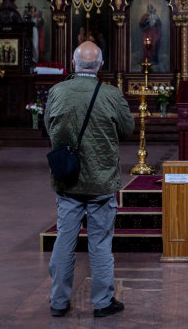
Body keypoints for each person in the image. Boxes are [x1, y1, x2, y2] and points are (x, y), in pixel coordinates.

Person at [45, 41, 133, 319]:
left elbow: (49, 127)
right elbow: (128, 129)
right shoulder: (111, 95)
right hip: (101, 181)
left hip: (67, 180)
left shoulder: (57, 91)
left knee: (64, 241)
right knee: (100, 244)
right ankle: (103, 302)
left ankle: (59, 301)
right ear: (100, 65)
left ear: (74, 64)